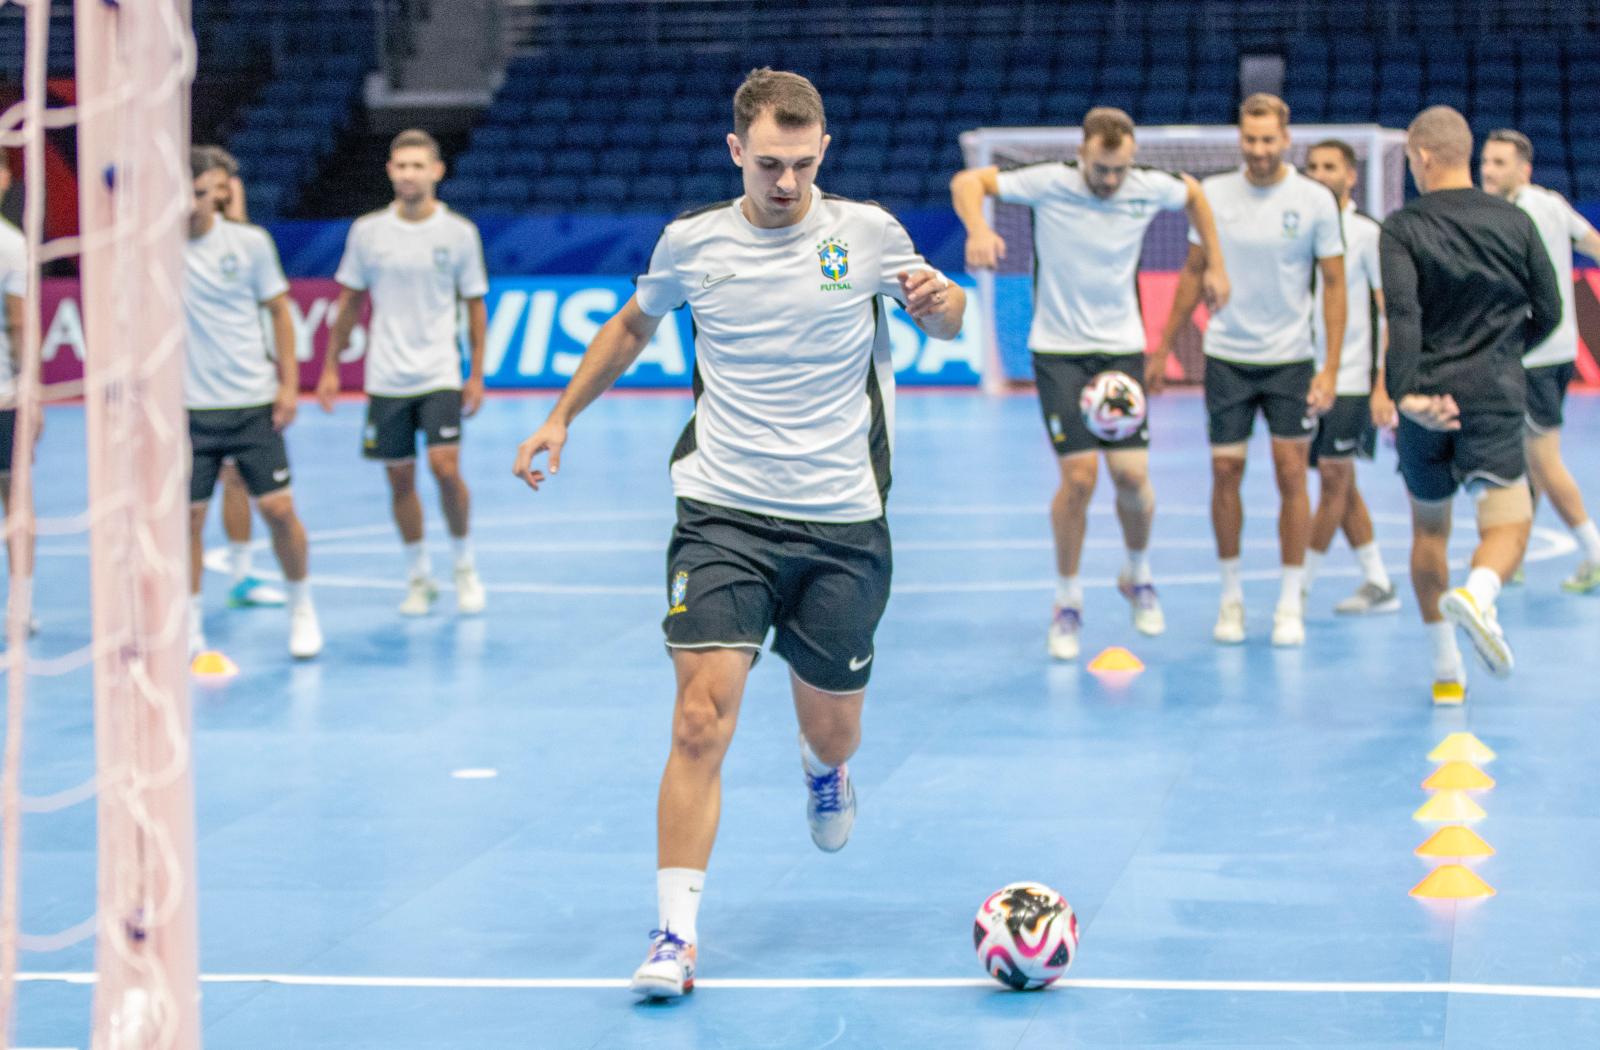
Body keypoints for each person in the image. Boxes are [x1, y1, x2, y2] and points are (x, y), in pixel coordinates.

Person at [511, 68, 964, 1000]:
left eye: (802, 164)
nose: (787, 183)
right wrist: (560, 418)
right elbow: (631, 330)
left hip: (843, 518)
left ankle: (822, 769)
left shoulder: (867, 234)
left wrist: (939, 303)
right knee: (698, 718)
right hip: (722, 511)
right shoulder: (694, 243)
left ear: (823, 152)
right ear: (735, 153)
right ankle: (674, 936)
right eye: (768, 164)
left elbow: (951, 319)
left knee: (833, 730)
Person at [949, 106, 1230, 659]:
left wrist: (1215, 263)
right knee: (1079, 479)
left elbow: (1196, 194)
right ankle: (1067, 599)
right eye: (1101, 169)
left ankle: (1137, 573)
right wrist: (978, 227)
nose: (1109, 181)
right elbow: (968, 180)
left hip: (1121, 349)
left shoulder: (1148, 186)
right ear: (1083, 154)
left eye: (1119, 170)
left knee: (1131, 476)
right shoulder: (1050, 181)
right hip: (1058, 350)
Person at [1152, 93, 1347, 647]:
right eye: (1250, 138)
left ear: (1286, 140)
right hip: (1228, 360)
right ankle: (1231, 597)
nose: (1259, 150)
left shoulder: (1313, 200)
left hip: (1290, 360)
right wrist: (1162, 346)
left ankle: (1290, 601)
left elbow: (1334, 286)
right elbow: (1192, 273)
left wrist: (1330, 366)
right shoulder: (1211, 196)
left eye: (1268, 140)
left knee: (1292, 475)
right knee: (1224, 474)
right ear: (1239, 138)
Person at [1381, 107, 1561, 704]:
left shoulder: (1401, 227)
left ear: (1422, 158)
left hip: (1425, 401)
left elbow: (1403, 320)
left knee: (1429, 529)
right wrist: (1506, 355)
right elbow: (1552, 311)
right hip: (1494, 394)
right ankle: (1479, 594)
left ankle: (1445, 671)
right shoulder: (1516, 220)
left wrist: (1407, 396)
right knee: (1509, 521)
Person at [319, 129, 489, 616]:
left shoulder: (459, 233)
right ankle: (419, 576)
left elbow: (474, 307)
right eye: (401, 165)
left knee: (445, 468)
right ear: (390, 171)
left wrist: (475, 374)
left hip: (438, 371)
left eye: (419, 165)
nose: (409, 173)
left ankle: (464, 566)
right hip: (385, 377)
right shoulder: (368, 232)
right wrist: (330, 366)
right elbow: (349, 302)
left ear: (436, 171)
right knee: (399, 480)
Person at [183, 149, 322, 659]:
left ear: (215, 190)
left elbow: (281, 316)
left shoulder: (249, 243)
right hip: (187, 411)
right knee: (188, 523)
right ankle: (191, 628)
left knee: (279, 510)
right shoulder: (151, 252)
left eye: (198, 193)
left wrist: (288, 386)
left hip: (251, 402)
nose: (189, 205)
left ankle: (302, 609)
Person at [1480, 128, 1600, 593]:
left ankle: (1593, 551)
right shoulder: (1551, 202)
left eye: (1499, 163)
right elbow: (1592, 243)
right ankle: (1517, 552)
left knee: (1542, 459)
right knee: (1525, 457)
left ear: (1523, 169)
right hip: (1558, 353)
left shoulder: (1508, 216)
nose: (1488, 170)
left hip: (1531, 357)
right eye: (1486, 161)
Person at [1301, 139, 1399, 614]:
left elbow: (1390, 312)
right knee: (1343, 484)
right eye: (1313, 167)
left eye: (1330, 167)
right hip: (1307, 378)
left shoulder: (1366, 234)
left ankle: (1296, 590)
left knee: (1334, 483)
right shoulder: (1300, 230)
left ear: (1351, 175)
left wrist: (1385, 384)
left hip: (1354, 380)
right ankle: (1378, 582)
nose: (1320, 174)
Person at [206, 145, 287, 608]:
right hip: (192, 387)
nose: (218, 196)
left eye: (225, 188)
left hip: (241, 383)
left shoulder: (248, 247)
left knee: (238, 479)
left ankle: (240, 576)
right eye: (210, 187)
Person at [0, 160, 35, 632]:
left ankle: (20, 602)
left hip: (3, 396)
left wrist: (29, 393)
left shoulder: (11, 242)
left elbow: (22, 323)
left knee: (16, 498)